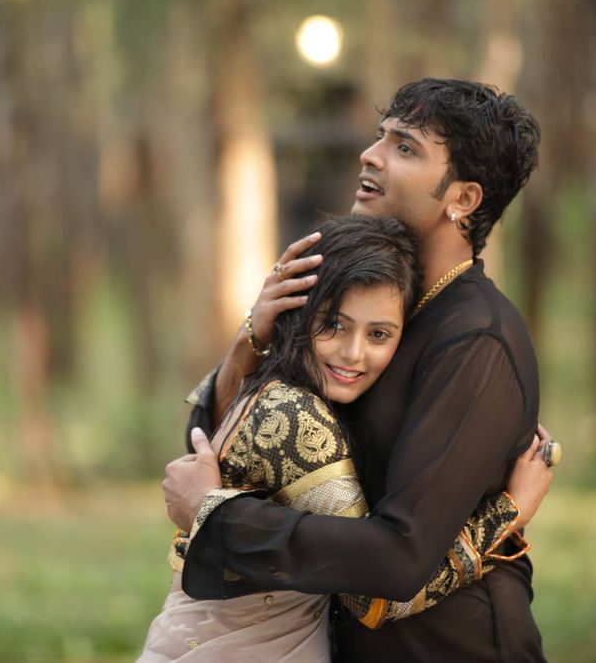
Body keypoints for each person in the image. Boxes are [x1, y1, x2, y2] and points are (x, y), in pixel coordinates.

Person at [163, 78, 555, 660]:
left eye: (405, 147)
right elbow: (223, 447)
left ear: (464, 199)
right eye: (380, 137)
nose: (370, 155)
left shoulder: (476, 342)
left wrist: (215, 518)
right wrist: (252, 338)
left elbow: (399, 558)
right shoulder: (363, 291)